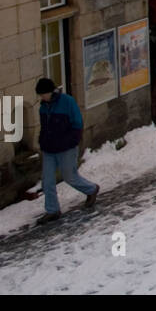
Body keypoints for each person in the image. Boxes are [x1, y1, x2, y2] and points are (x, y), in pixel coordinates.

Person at [35, 77, 99, 224]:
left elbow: (77, 123)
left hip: (66, 147)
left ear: (50, 91)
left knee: (69, 176)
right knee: (47, 180)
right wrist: (42, 141)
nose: (42, 97)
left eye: (43, 94)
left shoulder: (67, 101)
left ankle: (91, 189)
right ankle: (52, 210)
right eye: (40, 95)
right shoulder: (43, 107)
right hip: (49, 149)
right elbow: (44, 128)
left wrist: (71, 141)